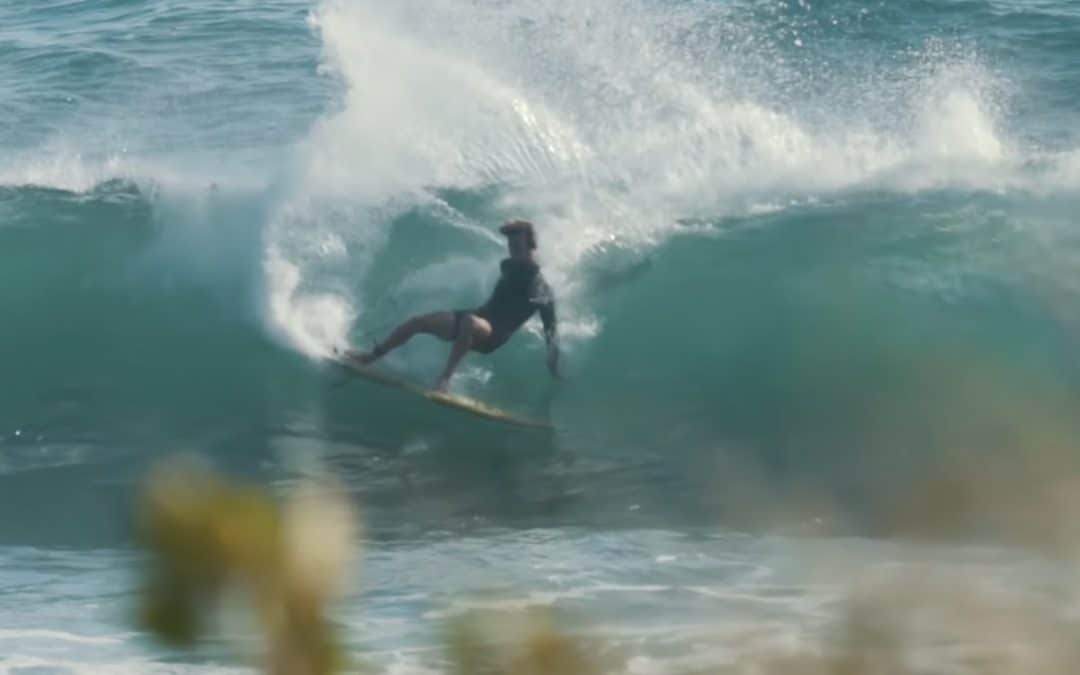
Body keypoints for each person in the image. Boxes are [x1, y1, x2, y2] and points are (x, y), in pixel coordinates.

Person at [346, 220, 559, 392]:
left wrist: (553, 361)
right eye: (511, 247)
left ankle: (444, 381)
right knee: (419, 322)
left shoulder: (539, 285)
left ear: (531, 246)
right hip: (479, 317)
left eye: (518, 247)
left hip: (494, 333)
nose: (513, 252)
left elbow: (550, 327)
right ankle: (371, 357)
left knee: (468, 322)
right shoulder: (508, 266)